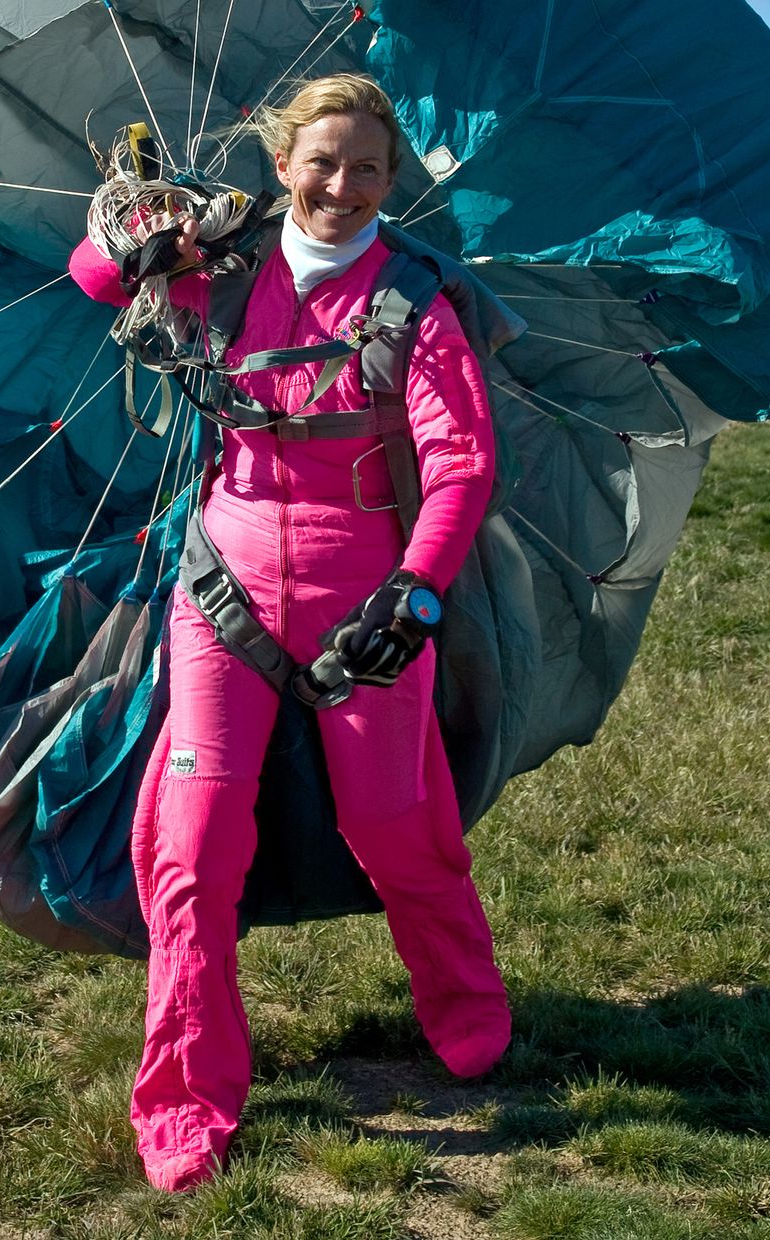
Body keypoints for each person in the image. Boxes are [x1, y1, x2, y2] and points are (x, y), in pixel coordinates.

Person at [69, 74, 510, 1192]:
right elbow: (91, 279)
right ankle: (185, 1099)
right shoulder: (223, 267)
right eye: (323, 162)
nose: (344, 186)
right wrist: (145, 232)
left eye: (368, 168)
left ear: (392, 179)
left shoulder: (414, 299)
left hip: (365, 598)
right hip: (225, 590)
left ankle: (467, 1008)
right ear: (281, 165)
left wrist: (416, 593)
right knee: (195, 842)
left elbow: (459, 462)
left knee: (396, 822)